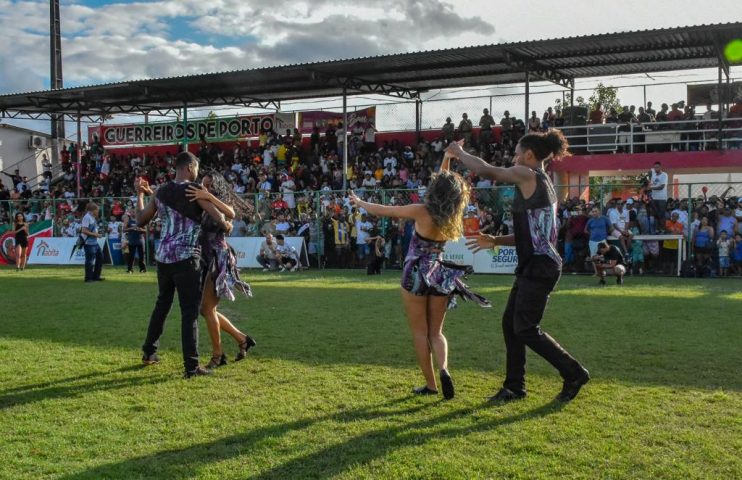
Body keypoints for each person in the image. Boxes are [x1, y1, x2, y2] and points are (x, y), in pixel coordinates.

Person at [446, 129, 589, 403]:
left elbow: (490, 171)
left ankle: (573, 373)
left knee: (524, 328)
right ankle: (514, 387)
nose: (513, 158)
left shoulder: (529, 175)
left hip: (540, 266)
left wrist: (459, 153)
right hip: (536, 264)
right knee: (512, 325)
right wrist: (495, 240)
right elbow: (533, 236)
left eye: (515, 154)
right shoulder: (540, 181)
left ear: (529, 155)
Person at [348, 150, 490, 400]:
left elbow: (384, 210)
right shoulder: (453, 217)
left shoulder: (421, 211)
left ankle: (431, 385)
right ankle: (444, 368)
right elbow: (444, 179)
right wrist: (448, 155)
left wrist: (360, 203)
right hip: (439, 274)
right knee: (436, 332)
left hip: (415, 273)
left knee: (419, 333)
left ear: (434, 189)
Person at [136, 151, 233, 378]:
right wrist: (226, 225)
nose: (197, 173)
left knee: (162, 305)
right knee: (189, 313)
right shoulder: (193, 191)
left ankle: (149, 352)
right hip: (187, 258)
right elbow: (219, 218)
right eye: (197, 168)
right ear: (190, 167)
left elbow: (141, 219)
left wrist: (140, 194)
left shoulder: (161, 191)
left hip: (163, 258)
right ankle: (191, 367)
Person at [186, 171, 256, 369]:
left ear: (216, 188)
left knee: (206, 309)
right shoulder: (201, 203)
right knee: (208, 309)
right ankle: (242, 339)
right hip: (205, 259)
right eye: (203, 185)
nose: (204, 188)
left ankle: (218, 356)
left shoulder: (216, 202)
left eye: (209, 186)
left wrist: (208, 196)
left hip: (219, 258)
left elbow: (232, 214)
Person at [81, 203, 105, 283]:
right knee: (90, 261)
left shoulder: (92, 217)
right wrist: (96, 234)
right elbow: (84, 230)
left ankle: (96, 276)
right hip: (89, 243)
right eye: (97, 210)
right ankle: (88, 278)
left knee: (100, 257)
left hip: (94, 242)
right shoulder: (87, 217)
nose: (98, 211)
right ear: (93, 210)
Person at [648, 162, 668, 232]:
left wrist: (651, 188)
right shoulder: (653, 175)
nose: (656, 168)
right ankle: (657, 229)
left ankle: (662, 229)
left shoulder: (664, 175)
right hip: (654, 197)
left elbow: (662, 187)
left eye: (657, 167)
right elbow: (649, 172)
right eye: (655, 167)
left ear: (660, 167)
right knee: (655, 214)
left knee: (661, 214)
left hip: (662, 198)